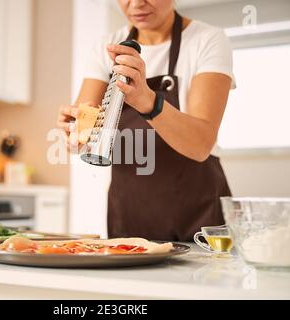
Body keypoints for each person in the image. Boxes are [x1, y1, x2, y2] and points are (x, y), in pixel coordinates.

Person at [57, 0, 235, 241]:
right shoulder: (107, 47)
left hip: (197, 215)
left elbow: (200, 144)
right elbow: (84, 131)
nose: (137, 3)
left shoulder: (208, 40)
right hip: (129, 212)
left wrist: (148, 101)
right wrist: (74, 134)